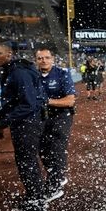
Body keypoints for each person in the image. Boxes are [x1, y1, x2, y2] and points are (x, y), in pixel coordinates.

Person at [0, 39, 49, 211]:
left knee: (27, 163)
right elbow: (14, 102)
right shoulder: (13, 69)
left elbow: (28, 104)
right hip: (26, 122)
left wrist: (2, 123)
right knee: (27, 162)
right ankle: (37, 199)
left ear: (9, 54)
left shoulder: (19, 72)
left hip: (28, 124)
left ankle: (37, 207)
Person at [35, 47, 76, 202]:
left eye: (46, 57)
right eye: (40, 58)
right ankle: (56, 175)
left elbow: (70, 100)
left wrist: (47, 102)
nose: (43, 60)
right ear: (36, 60)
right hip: (41, 117)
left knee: (57, 147)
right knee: (43, 149)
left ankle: (55, 185)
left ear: (52, 59)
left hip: (61, 116)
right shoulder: (34, 76)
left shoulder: (62, 74)